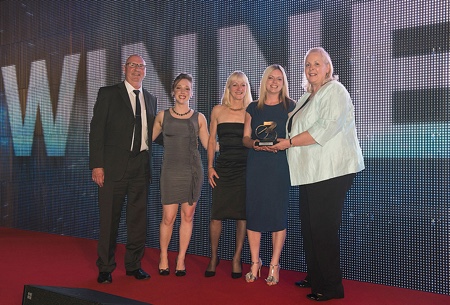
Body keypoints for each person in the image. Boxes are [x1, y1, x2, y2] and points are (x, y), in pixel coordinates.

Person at [273, 47, 365, 301]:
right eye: (307, 64)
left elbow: (322, 130)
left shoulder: (335, 91)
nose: (311, 68)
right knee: (310, 228)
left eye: (317, 63)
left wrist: (287, 144)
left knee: (323, 229)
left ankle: (331, 287)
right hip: (311, 173)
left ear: (328, 68)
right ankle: (315, 276)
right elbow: (294, 126)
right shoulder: (308, 95)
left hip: (332, 171)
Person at [89, 54, 157, 284]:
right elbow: (96, 131)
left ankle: (133, 265)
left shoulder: (151, 98)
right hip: (112, 168)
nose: (137, 69)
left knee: (138, 221)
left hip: (141, 166)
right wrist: (97, 165)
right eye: (133, 65)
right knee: (109, 220)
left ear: (145, 71)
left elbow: (153, 134)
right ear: (124, 68)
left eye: (141, 66)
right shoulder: (108, 93)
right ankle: (105, 268)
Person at [242, 64, 296, 286]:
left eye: (279, 79)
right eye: (271, 78)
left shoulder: (291, 106)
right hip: (256, 165)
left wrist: (283, 145)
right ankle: (255, 262)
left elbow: (295, 136)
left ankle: (274, 264)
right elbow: (245, 138)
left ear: (284, 83)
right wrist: (255, 144)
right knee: (254, 213)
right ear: (264, 81)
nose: (274, 82)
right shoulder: (253, 108)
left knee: (277, 215)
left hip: (279, 167)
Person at [152, 73, 209, 276]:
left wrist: (236, 141)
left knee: (188, 215)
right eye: (179, 88)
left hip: (193, 172)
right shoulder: (162, 116)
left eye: (187, 88)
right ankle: (164, 255)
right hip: (170, 171)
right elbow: (144, 141)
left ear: (191, 93)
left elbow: (209, 145)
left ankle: (181, 258)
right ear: (173, 91)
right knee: (168, 217)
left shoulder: (199, 117)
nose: (183, 92)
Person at [205, 71, 253, 279]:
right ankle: (214, 257)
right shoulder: (217, 110)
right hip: (223, 169)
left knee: (242, 216)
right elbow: (210, 141)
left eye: (242, 85)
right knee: (216, 216)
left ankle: (236, 258)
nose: (239, 88)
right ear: (228, 88)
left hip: (245, 169)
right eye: (235, 85)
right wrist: (209, 166)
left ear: (247, 88)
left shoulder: (251, 111)